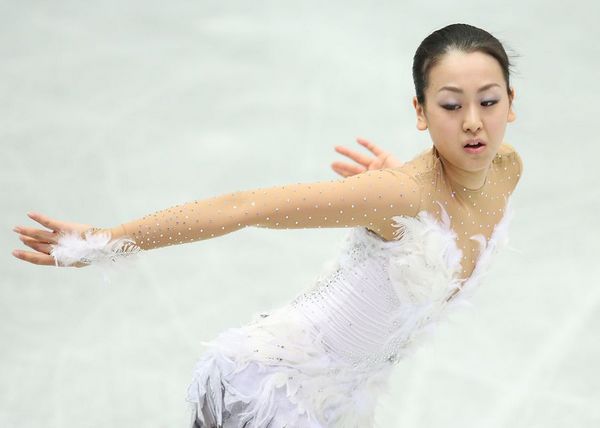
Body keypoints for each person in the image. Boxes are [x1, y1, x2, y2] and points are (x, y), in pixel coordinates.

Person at [12, 23, 522, 428]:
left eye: (489, 100)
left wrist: (404, 189)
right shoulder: (400, 196)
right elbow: (245, 206)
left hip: (341, 403)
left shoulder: (505, 171)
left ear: (511, 103)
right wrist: (107, 241)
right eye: (451, 105)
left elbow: (441, 219)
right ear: (421, 112)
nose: (473, 121)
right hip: (268, 392)